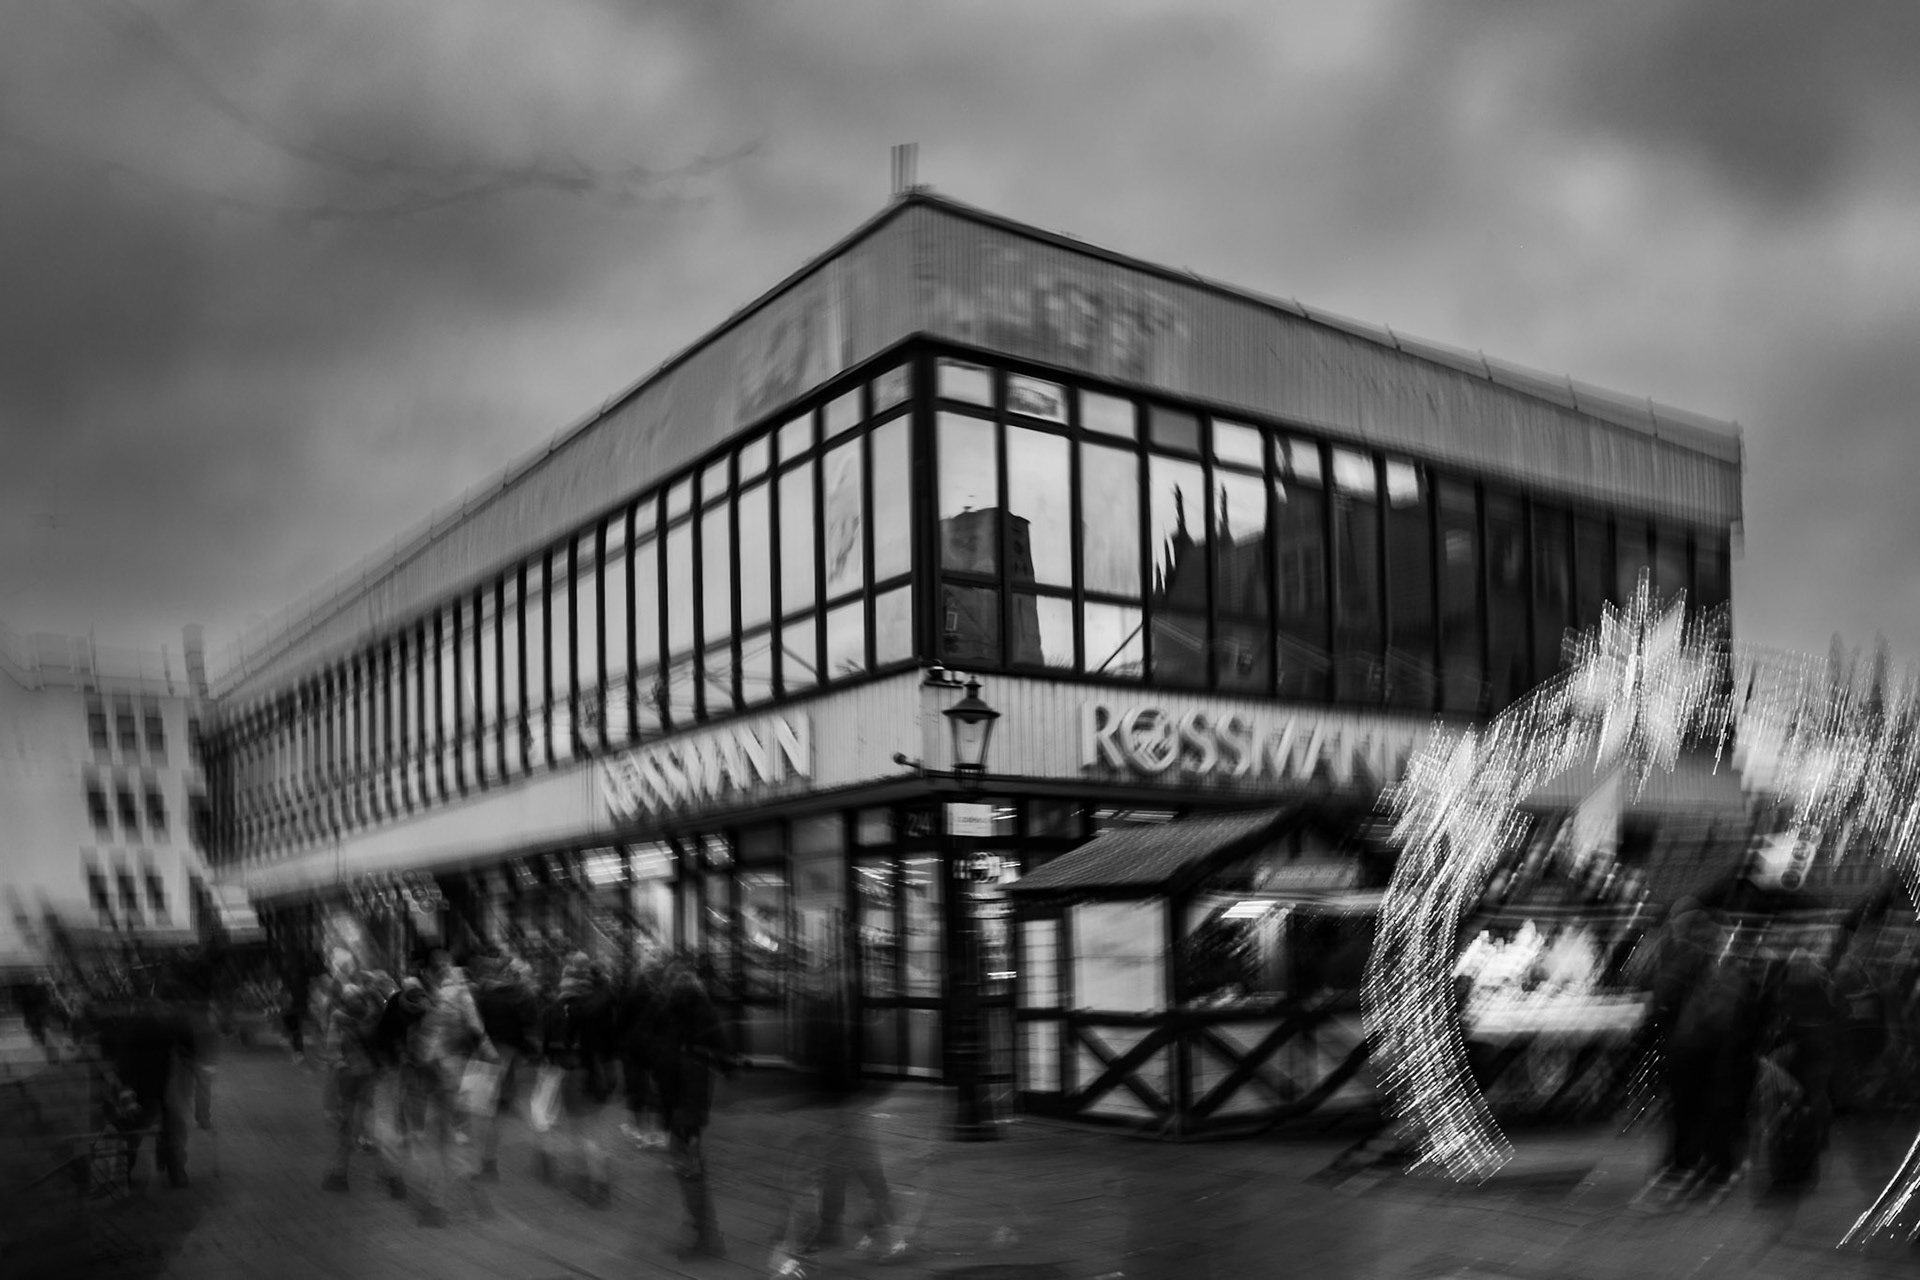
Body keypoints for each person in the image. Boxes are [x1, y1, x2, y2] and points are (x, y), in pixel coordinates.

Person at [768, 969, 907, 1279]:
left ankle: (792, 1255)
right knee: (864, 1176)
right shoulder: (846, 1021)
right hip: (841, 1109)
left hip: (832, 1111)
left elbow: (814, 1068)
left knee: (816, 1180)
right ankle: (887, 1234)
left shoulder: (824, 1020)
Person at [650, 965, 735, 1260]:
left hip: (678, 1101)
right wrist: (725, 1068)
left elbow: (660, 1061)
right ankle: (703, 1232)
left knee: (688, 1169)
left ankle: (707, 1237)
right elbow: (724, 1050)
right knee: (692, 1165)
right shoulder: (705, 1012)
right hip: (694, 1100)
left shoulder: (669, 1014)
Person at [537, 953, 617, 1205]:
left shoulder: (565, 1010)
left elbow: (552, 1045)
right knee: (594, 1127)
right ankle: (599, 1181)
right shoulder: (602, 1005)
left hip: (575, 1073)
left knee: (581, 1132)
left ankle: (591, 1184)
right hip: (600, 1071)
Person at [319, 984, 399, 1193]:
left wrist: (341, 1067)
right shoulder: (373, 1018)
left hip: (354, 1080)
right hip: (371, 1078)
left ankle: (340, 1174)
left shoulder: (340, 1020)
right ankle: (392, 1177)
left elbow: (332, 1050)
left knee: (350, 1128)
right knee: (376, 1128)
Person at [472, 957, 542, 1181]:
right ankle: (543, 1151)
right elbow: (530, 1025)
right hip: (513, 1057)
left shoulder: (486, 998)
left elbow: (477, 1029)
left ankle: (488, 1164)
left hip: (492, 1057)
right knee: (508, 1107)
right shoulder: (522, 995)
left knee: (487, 1112)